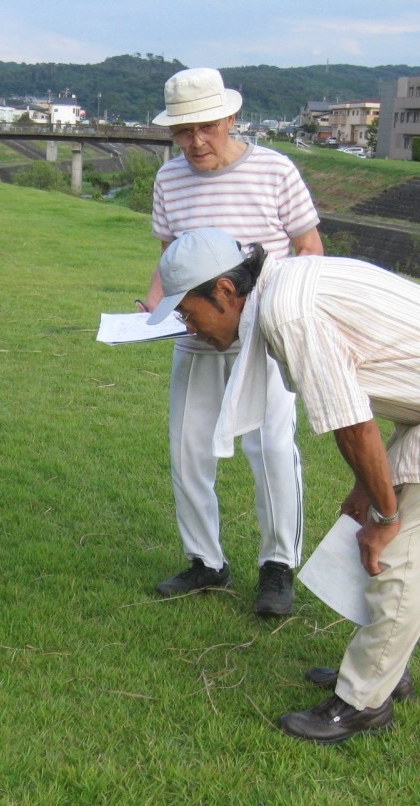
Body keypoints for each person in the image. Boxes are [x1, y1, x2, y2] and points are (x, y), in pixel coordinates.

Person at [149, 228, 420, 744]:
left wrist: (384, 516)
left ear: (226, 292)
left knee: (403, 553)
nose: (189, 327)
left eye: (187, 312)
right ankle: (383, 670)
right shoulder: (281, 288)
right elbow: (363, 400)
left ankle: (364, 701)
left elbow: (353, 424)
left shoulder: (287, 314)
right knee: (388, 530)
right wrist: (369, 492)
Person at [142, 67, 323, 618]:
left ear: (230, 118)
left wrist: (295, 313)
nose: (195, 141)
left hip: (264, 335)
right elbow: (170, 258)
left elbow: (309, 247)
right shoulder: (169, 180)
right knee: (188, 447)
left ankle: (278, 566)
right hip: (197, 334)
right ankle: (206, 560)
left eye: (205, 128)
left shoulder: (275, 170)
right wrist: (152, 305)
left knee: (268, 448)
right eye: (182, 131)